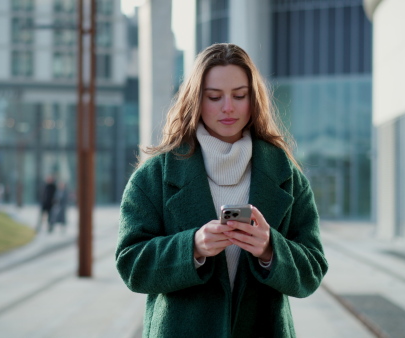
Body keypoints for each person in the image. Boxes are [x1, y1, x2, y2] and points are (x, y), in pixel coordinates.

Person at [115, 43, 328, 337]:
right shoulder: (153, 176)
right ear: (195, 100)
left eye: (239, 96)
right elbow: (131, 265)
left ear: (254, 99)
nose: (228, 107)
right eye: (214, 97)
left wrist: (269, 248)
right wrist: (194, 247)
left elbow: (313, 269)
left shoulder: (287, 175)